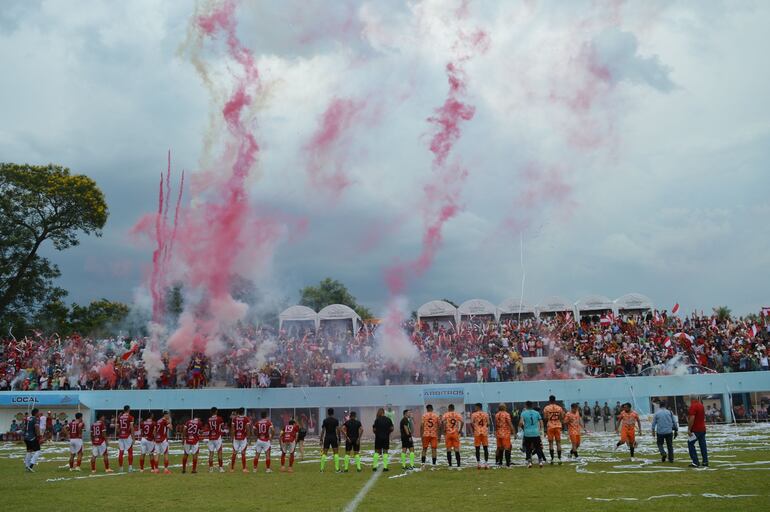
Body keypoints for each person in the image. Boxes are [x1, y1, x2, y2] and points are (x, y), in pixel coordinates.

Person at [520, 401, 545, 468]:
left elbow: (520, 423)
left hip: (527, 433)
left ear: (526, 405)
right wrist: (541, 430)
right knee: (538, 447)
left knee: (528, 448)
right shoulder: (537, 413)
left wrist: (523, 428)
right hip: (536, 433)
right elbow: (541, 422)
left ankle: (529, 462)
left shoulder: (523, 413)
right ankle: (540, 461)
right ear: (532, 405)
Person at [543, 395, 565, 465]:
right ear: (555, 400)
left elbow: (545, 418)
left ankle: (552, 459)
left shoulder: (546, 408)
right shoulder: (559, 408)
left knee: (551, 443)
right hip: (558, 425)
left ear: (549, 400)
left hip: (550, 426)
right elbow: (562, 416)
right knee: (558, 443)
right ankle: (559, 458)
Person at [687, 396, 709, 468]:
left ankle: (695, 462)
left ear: (691, 399)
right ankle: (705, 461)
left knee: (690, 443)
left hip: (696, 430)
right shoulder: (701, 405)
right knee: (703, 445)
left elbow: (692, 418)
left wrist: (689, 429)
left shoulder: (693, 406)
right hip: (702, 429)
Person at [372, 407, 394, 471]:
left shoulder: (377, 420)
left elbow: (374, 429)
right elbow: (392, 428)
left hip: (378, 438)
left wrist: (376, 433)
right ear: (384, 412)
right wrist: (388, 432)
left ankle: (374, 467)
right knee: (385, 452)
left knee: (376, 452)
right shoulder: (388, 419)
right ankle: (385, 467)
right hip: (386, 438)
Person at [320, 408, 340, 473]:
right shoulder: (336, 420)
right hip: (334, 437)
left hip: (327, 437)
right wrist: (339, 438)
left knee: (324, 453)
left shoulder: (325, 420)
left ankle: (321, 469)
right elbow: (338, 430)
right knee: (336, 453)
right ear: (333, 413)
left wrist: (321, 439)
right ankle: (337, 469)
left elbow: (323, 431)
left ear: (328, 413)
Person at [230, 407, 251, 473]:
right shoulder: (246, 419)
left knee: (234, 453)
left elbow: (232, 429)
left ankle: (232, 469)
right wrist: (248, 436)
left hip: (236, 438)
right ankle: (244, 468)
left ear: (238, 412)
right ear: (243, 412)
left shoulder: (234, 419)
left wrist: (232, 437)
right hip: (243, 438)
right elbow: (247, 428)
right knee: (243, 453)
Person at [205, 407, 225, 473]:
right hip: (217, 437)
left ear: (211, 412)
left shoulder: (208, 419)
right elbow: (222, 427)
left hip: (211, 437)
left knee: (211, 453)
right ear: (216, 411)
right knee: (219, 453)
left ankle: (211, 469)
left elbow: (207, 428)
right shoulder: (219, 418)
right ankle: (221, 468)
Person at [470, 403, 490, 469]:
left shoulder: (474, 414)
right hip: (484, 432)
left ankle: (478, 463)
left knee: (477, 448)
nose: (475, 408)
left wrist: (474, 429)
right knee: (485, 448)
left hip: (477, 432)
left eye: (475, 407)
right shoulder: (486, 414)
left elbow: (472, 423)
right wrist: (485, 428)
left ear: (478, 407)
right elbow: (488, 423)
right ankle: (486, 463)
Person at [116, 405, 135, 472]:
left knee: (121, 452)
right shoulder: (130, 417)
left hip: (121, 436)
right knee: (130, 451)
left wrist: (120, 432)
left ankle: (121, 468)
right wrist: (133, 437)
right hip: (127, 436)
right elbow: (132, 427)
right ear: (129, 409)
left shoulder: (119, 417)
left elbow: (117, 429)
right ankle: (130, 468)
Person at [23, 408, 42, 472]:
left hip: (26, 437)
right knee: (38, 451)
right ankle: (31, 465)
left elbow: (24, 427)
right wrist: (39, 436)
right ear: (36, 413)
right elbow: (37, 427)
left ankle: (27, 466)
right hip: (32, 437)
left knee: (29, 451)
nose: (39, 414)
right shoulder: (35, 419)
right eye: (38, 412)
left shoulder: (28, 418)